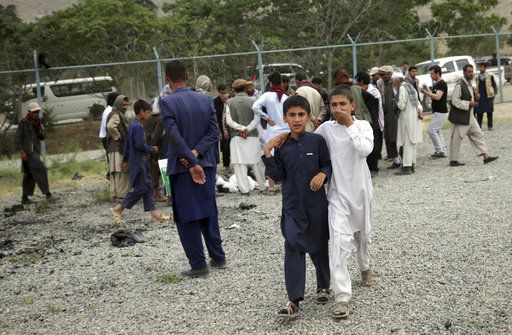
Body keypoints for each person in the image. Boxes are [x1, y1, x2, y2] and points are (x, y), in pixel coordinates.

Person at [262, 95, 331, 319]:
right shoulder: (282, 145)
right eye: (292, 115)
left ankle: (323, 286)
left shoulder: (317, 141)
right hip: (292, 206)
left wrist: (323, 174)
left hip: (316, 205)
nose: (297, 119)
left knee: (319, 245)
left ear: (308, 116)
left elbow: (327, 164)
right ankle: (294, 300)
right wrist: (267, 153)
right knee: (292, 245)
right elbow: (277, 175)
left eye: (301, 114)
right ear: (285, 117)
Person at [160, 60, 226, 277]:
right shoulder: (205, 100)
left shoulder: (167, 103)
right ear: (187, 76)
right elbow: (213, 131)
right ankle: (218, 256)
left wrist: (189, 160)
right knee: (208, 211)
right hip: (205, 164)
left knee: (187, 216)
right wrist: (197, 154)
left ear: (167, 79)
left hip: (182, 167)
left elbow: (174, 135)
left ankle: (198, 264)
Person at [314, 86, 374, 319]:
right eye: (333, 105)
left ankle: (365, 266)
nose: (337, 109)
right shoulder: (325, 130)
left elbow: (364, 150)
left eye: (342, 104)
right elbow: (309, 142)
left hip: (361, 193)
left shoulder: (363, 127)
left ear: (352, 105)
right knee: (338, 244)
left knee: (363, 237)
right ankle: (342, 297)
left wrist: (349, 123)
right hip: (337, 196)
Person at [110, 100, 171, 224]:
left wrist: (125, 160)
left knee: (147, 188)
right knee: (141, 188)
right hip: (140, 163)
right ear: (141, 112)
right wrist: (151, 149)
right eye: (148, 112)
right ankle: (118, 209)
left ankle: (155, 215)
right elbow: (139, 145)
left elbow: (128, 145)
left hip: (137, 162)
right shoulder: (138, 127)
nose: (149, 115)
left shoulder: (133, 125)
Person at [448, 64, 498, 166]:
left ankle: (486, 156)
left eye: (472, 71)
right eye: (469, 72)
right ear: (464, 72)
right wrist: (469, 104)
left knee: (478, 134)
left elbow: (471, 98)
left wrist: (476, 98)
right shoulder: (459, 85)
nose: (471, 74)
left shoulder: (470, 84)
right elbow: (455, 101)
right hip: (461, 117)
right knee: (457, 138)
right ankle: (453, 160)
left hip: (470, 116)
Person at [226, 79, 267, 195]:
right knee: (256, 162)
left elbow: (228, 121)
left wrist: (241, 128)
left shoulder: (229, 103)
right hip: (252, 136)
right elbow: (257, 118)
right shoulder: (254, 101)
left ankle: (244, 190)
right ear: (245, 88)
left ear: (234, 89)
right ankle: (263, 186)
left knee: (239, 164)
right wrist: (248, 129)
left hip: (236, 137)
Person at [252, 71, 290, 194]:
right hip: (286, 130)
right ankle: (287, 185)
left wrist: (266, 118)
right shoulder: (286, 97)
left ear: (270, 83)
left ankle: (271, 187)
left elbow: (255, 107)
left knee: (271, 157)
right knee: (286, 158)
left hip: (273, 130)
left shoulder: (267, 96)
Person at [14, 102, 53, 204]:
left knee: (30, 174)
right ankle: (48, 194)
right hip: (28, 151)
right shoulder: (24, 122)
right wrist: (22, 152)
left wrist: (41, 128)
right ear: (29, 112)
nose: (36, 114)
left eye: (37, 112)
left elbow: (42, 137)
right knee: (40, 169)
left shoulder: (38, 122)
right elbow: (17, 139)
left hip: (35, 150)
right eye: (34, 112)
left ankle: (24, 198)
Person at [395, 71, 423, 175]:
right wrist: (419, 111)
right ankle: (412, 165)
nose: (394, 83)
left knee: (407, 143)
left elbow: (402, 105)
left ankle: (406, 167)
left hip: (407, 120)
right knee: (413, 142)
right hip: (414, 119)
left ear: (397, 80)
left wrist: (395, 102)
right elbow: (418, 103)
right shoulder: (411, 87)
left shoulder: (402, 88)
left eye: (394, 81)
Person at [355, 71, 382, 176]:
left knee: (373, 146)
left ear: (361, 81)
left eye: (357, 81)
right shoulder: (365, 91)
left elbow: (374, 109)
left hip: (372, 121)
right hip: (368, 121)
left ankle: (373, 168)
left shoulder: (372, 92)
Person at [420, 65, 449, 158]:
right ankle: (442, 150)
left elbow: (437, 97)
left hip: (441, 111)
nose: (430, 75)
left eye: (432, 73)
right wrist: (428, 90)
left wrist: (425, 92)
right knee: (437, 131)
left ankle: (439, 150)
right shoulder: (436, 83)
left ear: (437, 73)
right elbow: (434, 95)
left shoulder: (441, 84)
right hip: (438, 111)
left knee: (431, 130)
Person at [106, 95, 131, 200]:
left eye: (126, 105)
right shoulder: (116, 114)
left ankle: (115, 194)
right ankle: (122, 195)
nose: (125, 107)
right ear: (118, 104)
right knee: (121, 171)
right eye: (123, 105)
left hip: (113, 148)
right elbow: (110, 126)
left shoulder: (115, 113)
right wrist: (118, 136)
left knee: (115, 172)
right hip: (117, 148)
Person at [378, 66, 401, 168]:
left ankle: (404, 158)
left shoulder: (396, 83)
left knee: (397, 136)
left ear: (389, 74)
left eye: (383, 75)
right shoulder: (381, 83)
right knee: (388, 136)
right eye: (381, 75)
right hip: (385, 113)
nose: (382, 77)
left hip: (395, 113)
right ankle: (395, 159)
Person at [98, 92, 120, 166]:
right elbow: (110, 126)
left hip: (106, 137)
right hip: (107, 138)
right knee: (113, 161)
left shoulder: (108, 110)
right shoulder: (110, 111)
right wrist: (118, 136)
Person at [214, 84, 231, 174]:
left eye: (224, 92)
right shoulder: (215, 102)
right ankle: (226, 165)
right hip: (220, 126)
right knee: (225, 147)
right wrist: (220, 131)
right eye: (221, 93)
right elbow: (216, 117)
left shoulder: (230, 99)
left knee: (230, 146)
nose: (223, 95)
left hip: (230, 126)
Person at [475, 62, 497, 130]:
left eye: (481, 67)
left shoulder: (490, 76)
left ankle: (490, 126)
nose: (480, 69)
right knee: (479, 112)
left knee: (489, 111)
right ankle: (479, 127)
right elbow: (477, 86)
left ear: (485, 68)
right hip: (480, 96)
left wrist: (494, 94)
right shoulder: (478, 77)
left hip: (488, 96)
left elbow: (494, 85)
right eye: (479, 67)